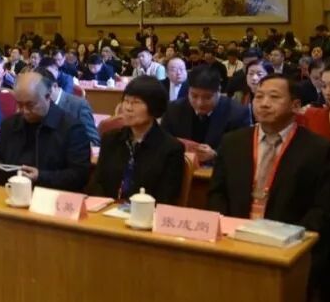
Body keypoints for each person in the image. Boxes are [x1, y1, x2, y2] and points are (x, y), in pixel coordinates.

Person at [207, 74, 330, 302]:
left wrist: (288, 241)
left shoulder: (318, 150)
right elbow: (217, 193)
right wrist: (225, 233)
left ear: (295, 105)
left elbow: (324, 210)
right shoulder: (233, 141)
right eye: (259, 97)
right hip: (233, 244)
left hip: (287, 248)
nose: (264, 103)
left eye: (274, 97)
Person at [90, 76, 185, 205]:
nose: (128, 108)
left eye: (136, 102)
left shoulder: (171, 148)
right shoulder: (111, 139)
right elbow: (97, 183)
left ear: (154, 107)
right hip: (106, 210)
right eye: (126, 101)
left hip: (145, 213)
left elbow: (166, 197)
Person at [0, 72, 90, 190]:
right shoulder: (10, 124)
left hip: (51, 194)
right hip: (10, 190)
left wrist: (40, 176)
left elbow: (79, 175)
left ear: (48, 97)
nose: (24, 111)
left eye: (30, 105)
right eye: (19, 105)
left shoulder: (72, 128)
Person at [161, 66, 250, 164]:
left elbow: (241, 152)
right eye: (194, 96)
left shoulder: (237, 114)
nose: (200, 103)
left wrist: (215, 155)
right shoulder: (173, 109)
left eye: (207, 97)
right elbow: (162, 142)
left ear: (218, 91)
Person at [46, 71, 100, 147]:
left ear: (54, 86)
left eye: (44, 94)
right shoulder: (35, 108)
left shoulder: (79, 106)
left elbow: (94, 141)